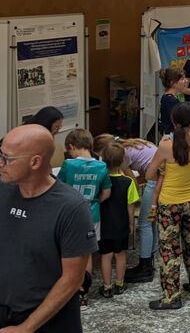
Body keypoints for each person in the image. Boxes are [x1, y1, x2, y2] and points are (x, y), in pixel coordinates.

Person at [0, 125, 97, 333]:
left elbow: (73, 279)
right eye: (0, 154)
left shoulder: (71, 207)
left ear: (35, 162)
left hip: (53, 319)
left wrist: (27, 327)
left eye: (7, 158)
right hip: (0, 313)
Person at [145, 102, 190, 310]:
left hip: (170, 202)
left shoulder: (166, 145)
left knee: (170, 250)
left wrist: (163, 172)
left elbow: (148, 174)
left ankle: (171, 297)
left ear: (173, 121)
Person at [58, 128, 111, 306]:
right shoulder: (102, 166)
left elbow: (59, 190)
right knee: (87, 255)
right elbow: (106, 192)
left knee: (69, 254)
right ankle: (84, 293)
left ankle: (70, 290)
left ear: (72, 146)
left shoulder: (68, 165)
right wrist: (94, 201)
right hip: (92, 213)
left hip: (70, 214)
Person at [106, 136, 161, 283]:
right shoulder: (132, 145)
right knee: (151, 221)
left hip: (155, 181)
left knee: (144, 224)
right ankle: (149, 260)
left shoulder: (123, 155)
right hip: (159, 177)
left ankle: (145, 267)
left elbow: (132, 183)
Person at [0, 106, 63, 190]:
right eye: (56, 127)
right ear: (46, 123)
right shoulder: (25, 137)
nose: (57, 131)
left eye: (59, 128)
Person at [96, 140, 140, 298]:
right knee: (120, 254)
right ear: (123, 161)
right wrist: (131, 224)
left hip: (104, 225)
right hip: (121, 224)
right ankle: (120, 283)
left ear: (102, 160)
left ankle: (107, 287)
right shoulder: (128, 182)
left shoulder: (100, 181)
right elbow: (130, 206)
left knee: (105, 256)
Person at [158, 67, 187, 136]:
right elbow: (177, 120)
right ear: (172, 83)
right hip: (172, 136)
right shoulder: (170, 101)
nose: (186, 81)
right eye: (182, 79)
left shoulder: (170, 98)